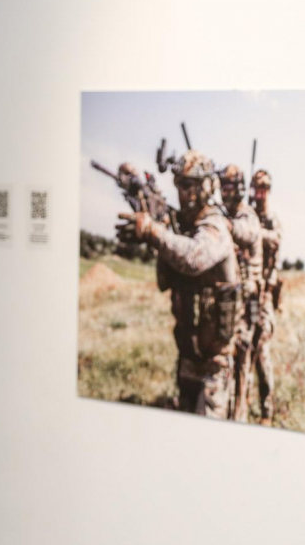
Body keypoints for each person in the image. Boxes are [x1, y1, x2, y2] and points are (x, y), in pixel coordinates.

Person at [117, 150, 241, 418]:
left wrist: (153, 232)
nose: (181, 193)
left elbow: (193, 257)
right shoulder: (183, 225)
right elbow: (166, 274)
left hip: (214, 362)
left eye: (187, 185)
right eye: (178, 185)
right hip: (188, 356)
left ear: (206, 187)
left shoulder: (215, 225)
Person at [219, 163, 266, 422]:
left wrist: (221, 224)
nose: (225, 192)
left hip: (248, 307)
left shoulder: (247, 216)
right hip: (231, 309)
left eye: (229, 187)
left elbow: (243, 232)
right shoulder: (225, 214)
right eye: (222, 187)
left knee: (242, 370)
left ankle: (240, 419)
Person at [249, 169, 283, 424]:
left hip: (264, 297)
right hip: (247, 295)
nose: (259, 194)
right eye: (256, 189)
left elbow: (274, 241)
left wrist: (250, 230)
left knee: (262, 352)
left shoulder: (271, 219)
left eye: (263, 189)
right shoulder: (248, 214)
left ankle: (267, 410)